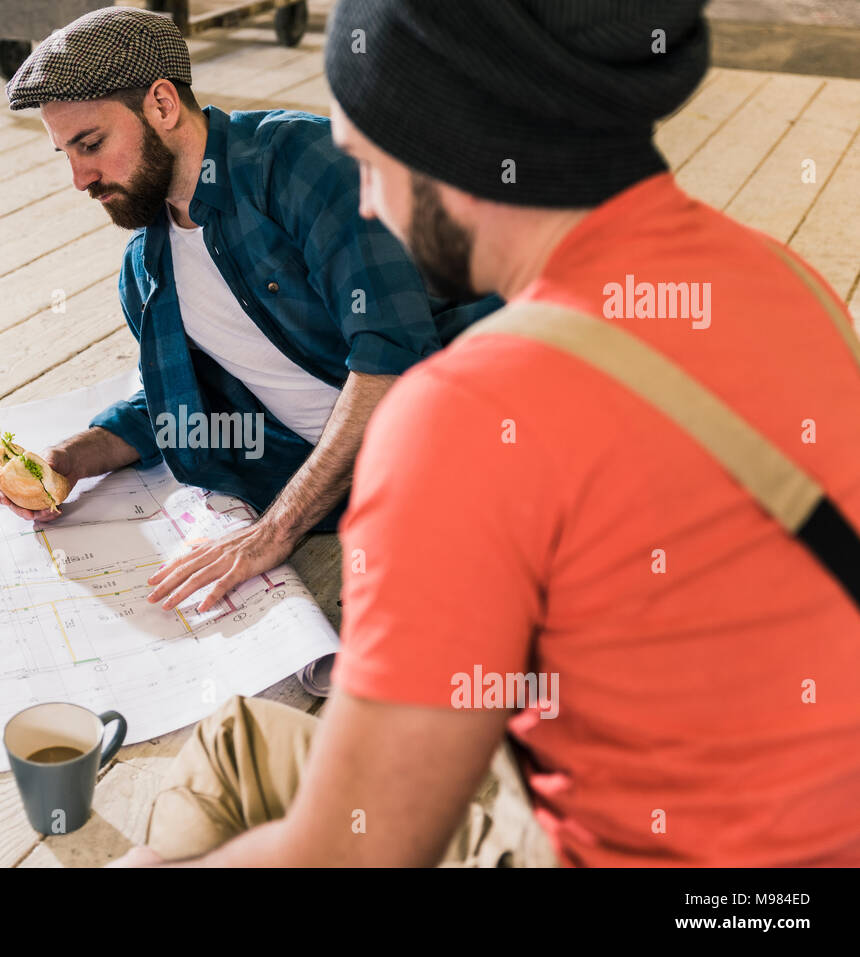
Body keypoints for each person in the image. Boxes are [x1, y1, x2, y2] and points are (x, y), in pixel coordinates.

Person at [113, 0, 860, 867]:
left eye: (365, 164)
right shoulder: (792, 280)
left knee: (215, 778)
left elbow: (356, 849)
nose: (368, 208)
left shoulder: (469, 416)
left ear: (448, 146)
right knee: (240, 746)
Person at [1, 6, 499, 615]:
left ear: (161, 104)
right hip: (337, 492)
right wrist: (68, 460)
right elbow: (177, 398)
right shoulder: (146, 272)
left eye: (92, 143)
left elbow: (392, 360)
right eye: (64, 153)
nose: (80, 178)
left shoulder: (302, 164)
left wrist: (273, 533)